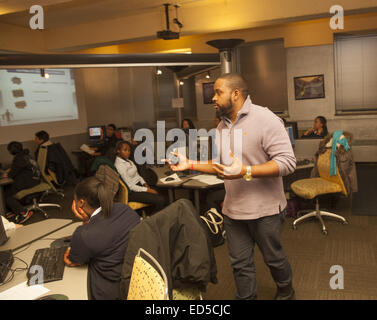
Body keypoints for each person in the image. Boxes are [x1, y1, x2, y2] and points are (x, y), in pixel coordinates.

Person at [166, 73, 296, 300]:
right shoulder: (222, 127)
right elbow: (222, 166)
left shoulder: (265, 119)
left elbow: (287, 162)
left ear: (235, 94)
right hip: (233, 211)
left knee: (273, 259)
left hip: (265, 211)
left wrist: (246, 171)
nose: (213, 98)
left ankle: (286, 291)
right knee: (239, 265)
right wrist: (190, 164)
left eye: (218, 92)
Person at [63, 176, 140, 300]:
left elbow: (71, 261)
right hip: (134, 279)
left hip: (109, 289)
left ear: (81, 203)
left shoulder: (84, 234)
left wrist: (85, 222)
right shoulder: (125, 209)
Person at [114, 141, 166, 213]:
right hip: (132, 192)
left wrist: (145, 184)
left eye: (129, 150)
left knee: (163, 190)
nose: (128, 152)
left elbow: (137, 175)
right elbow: (130, 186)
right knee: (161, 199)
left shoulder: (128, 161)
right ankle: (153, 219)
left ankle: (153, 212)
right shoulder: (119, 165)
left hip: (139, 186)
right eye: (125, 150)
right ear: (118, 151)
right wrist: (147, 190)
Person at [2, 141, 40, 223]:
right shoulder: (26, 154)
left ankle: (22, 212)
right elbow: (17, 167)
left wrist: (6, 174)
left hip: (29, 182)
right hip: (35, 179)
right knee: (7, 189)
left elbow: (11, 174)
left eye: (9, 150)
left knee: (6, 192)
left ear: (12, 150)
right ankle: (12, 211)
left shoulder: (19, 158)